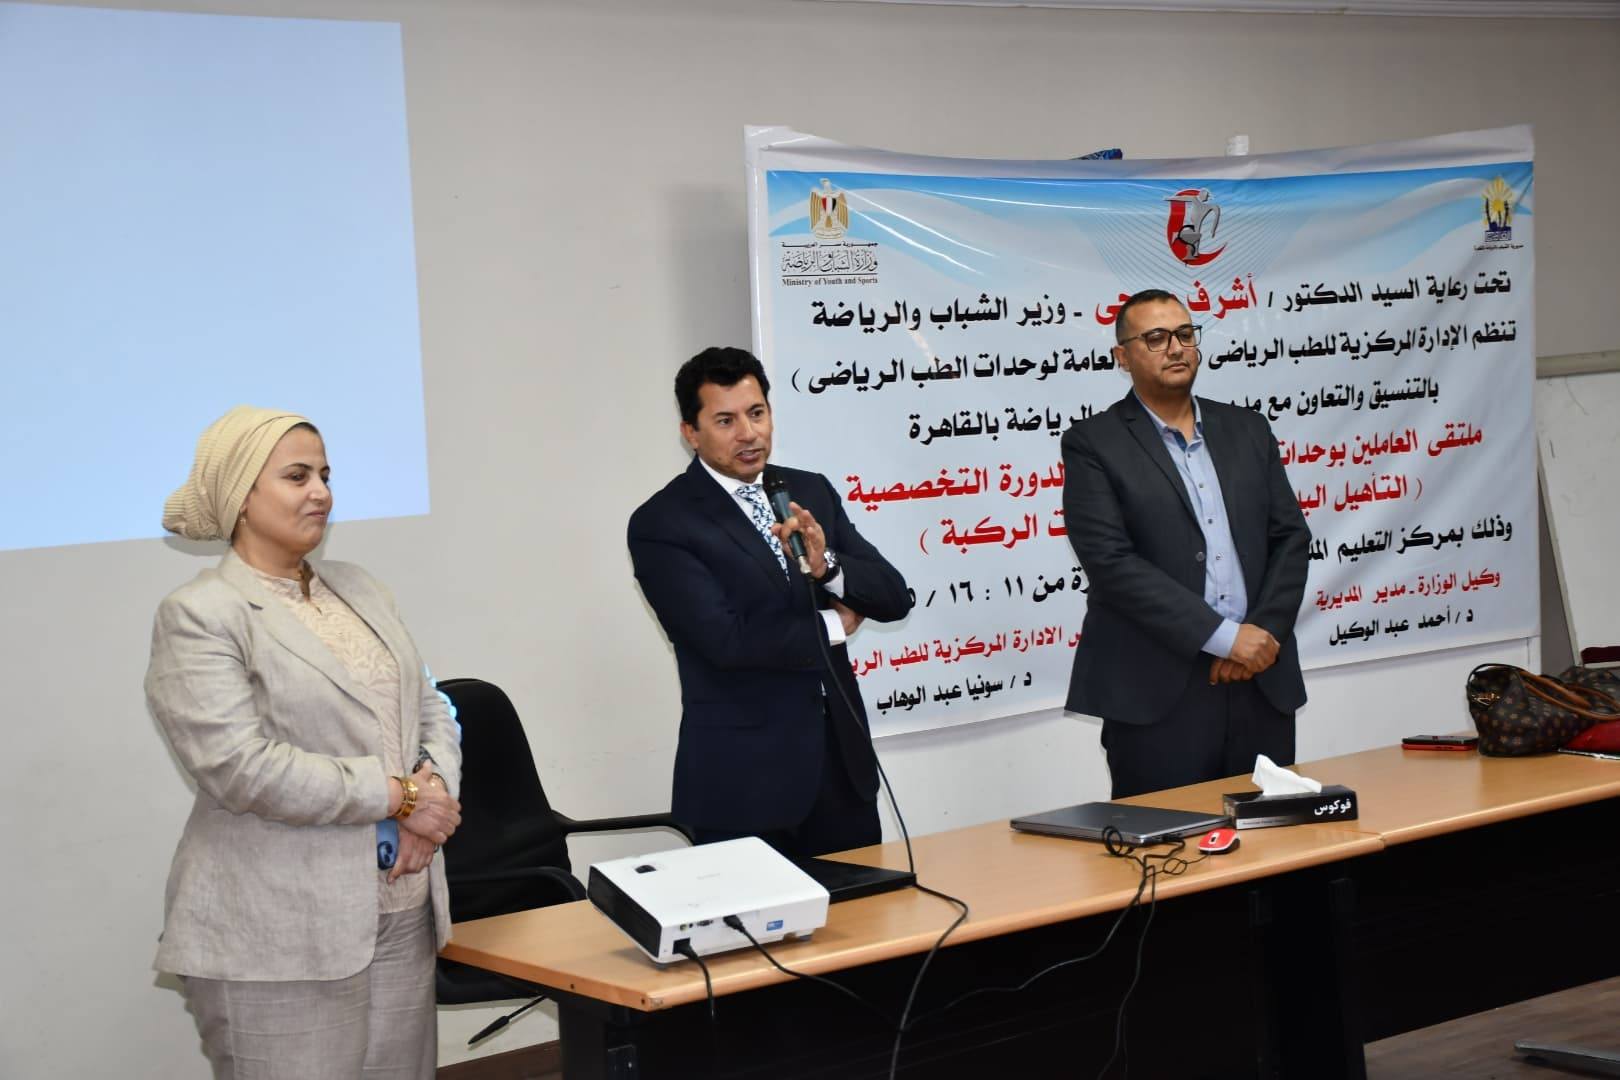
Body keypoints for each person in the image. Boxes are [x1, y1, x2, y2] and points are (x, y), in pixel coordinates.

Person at [146, 406, 462, 1079]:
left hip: (402, 906)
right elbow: (241, 767)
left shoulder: (361, 588)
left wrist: (431, 798)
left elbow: (429, 704)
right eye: (296, 476)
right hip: (277, 932)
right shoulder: (200, 613)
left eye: (324, 475)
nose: (320, 492)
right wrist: (401, 799)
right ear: (241, 494)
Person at [628, 347, 912, 857]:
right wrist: (835, 626)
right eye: (725, 420)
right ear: (691, 432)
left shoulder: (809, 491)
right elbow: (725, 641)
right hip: (743, 783)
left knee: (868, 906)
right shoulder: (664, 522)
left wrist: (828, 568)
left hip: (840, 772)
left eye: (757, 413)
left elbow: (893, 595)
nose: (749, 433)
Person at [1061, 290, 1311, 798]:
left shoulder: (1247, 429)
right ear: (1122, 356)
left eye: (1185, 334)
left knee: (1270, 837)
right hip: (1157, 692)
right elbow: (1111, 562)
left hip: (1260, 681)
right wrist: (1223, 637)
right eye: (1155, 338)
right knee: (1170, 838)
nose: (1176, 348)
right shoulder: (1093, 442)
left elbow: (1290, 538)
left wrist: (1259, 636)